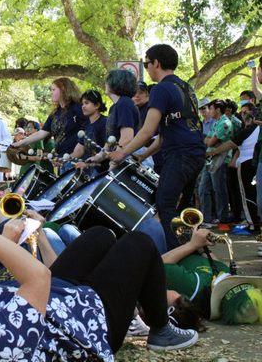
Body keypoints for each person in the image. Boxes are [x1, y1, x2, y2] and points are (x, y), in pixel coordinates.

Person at [0, 205, 198, 361]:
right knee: (139, 244)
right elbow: (39, 277)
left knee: (99, 236)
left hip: (57, 298)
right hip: (88, 322)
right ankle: (160, 330)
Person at [109, 44, 206, 250]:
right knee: (183, 208)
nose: (147, 68)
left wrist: (122, 152)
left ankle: (173, 258)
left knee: (165, 204)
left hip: (180, 155)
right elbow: (163, 135)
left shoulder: (161, 88)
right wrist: (143, 156)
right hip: (195, 154)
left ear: (157, 63)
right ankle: (191, 250)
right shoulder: (185, 87)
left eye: (147, 63)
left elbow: (146, 131)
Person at [207, 103, 260, 231]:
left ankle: (253, 224)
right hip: (252, 164)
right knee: (252, 195)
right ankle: (254, 222)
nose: (244, 115)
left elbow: (230, 144)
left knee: (247, 195)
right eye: (242, 113)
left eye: (247, 112)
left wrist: (212, 152)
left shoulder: (250, 129)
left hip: (247, 164)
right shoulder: (250, 129)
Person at [12, 77, 87, 158]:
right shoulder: (55, 113)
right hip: (62, 160)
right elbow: (41, 133)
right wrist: (20, 143)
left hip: (78, 161)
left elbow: (88, 132)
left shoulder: (79, 108)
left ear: (63, 89)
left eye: (53, 90)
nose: (51, 93)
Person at [199, 99, 234, 224]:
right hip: (209, 160)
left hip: (220, 160)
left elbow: (212, 141)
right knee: (203, 189)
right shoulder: (216, 123)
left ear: (218, 110)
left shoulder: (225, 123)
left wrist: (210, 140)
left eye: (212, 108)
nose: (210, 111)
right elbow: (207, 140)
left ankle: (222, 218)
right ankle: (206, 218)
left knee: (219, 189)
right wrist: (210, 139)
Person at [70, 90, 108, 175]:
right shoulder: (86, 125)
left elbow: (107, 150)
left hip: (104, 171)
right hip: (92, 169)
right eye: (82, 104)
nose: (83, 106)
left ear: (97, 105)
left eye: (86, 103)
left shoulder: (105, 122)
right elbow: (79, 150)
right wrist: (64, 160)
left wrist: (87, 163)